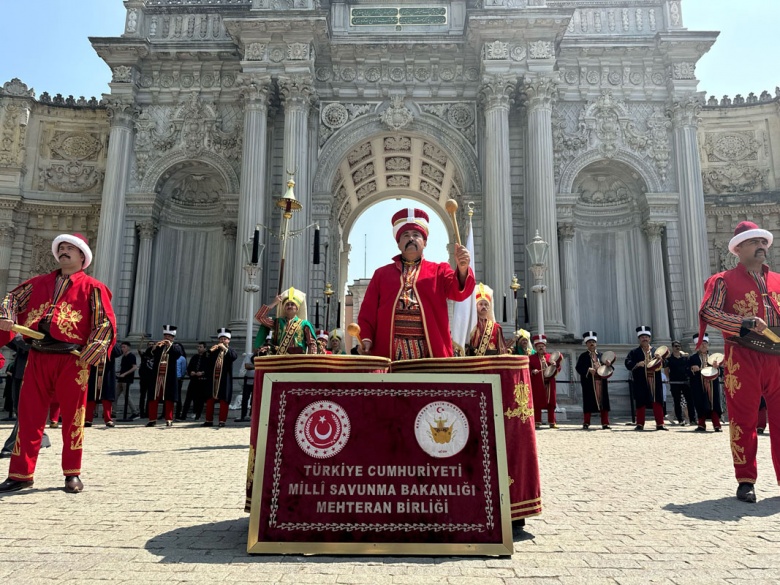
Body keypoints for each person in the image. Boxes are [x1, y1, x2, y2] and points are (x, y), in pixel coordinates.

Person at [0, 233, 116, 493]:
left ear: (82, 256)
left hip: (72, 360)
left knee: (73, 419)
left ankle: (71, 473)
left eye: (70, 248)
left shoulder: (93, 287)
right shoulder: (39, 282)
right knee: (29, 417)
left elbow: (104, 322)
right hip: (38, 356)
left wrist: (92, 351)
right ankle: (21, 474)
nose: (64, 252)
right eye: (61, 248)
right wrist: (6, 316)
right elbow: (11, 299)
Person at [698, 220, 780, 503]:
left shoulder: (778, 281)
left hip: (777, 357)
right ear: (739, 248)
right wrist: (743, 323)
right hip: (742, 356)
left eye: (763, 242)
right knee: (743, 420)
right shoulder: (723, 280)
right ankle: (746, 480)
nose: (761, 246)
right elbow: (709, 312)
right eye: (754, 242)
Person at [357, 207, 474, 360]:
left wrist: (463, 269)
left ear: (424, 242)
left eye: (416, 235)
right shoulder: (381, 274)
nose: (411, 238)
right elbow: (368, 311)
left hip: (429, 354)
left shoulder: (439, 271)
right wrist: (366, 338)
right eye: (405, 235)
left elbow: (459, 293)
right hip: (390, 353)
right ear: (398, 243)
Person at [624, 326, 668, 431]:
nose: (645, 339)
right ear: (639, 339)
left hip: (655, 380)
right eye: (642, 337)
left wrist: (661, 359)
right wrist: (636, 364)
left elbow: (666, 363)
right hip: (640, 380)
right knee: (640, 401)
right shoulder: (634, 352)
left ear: (650, 338)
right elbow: (627, 362)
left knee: (657, 401)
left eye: (646, 337)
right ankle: (640, 424)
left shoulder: (656, 351)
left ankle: (660, 424)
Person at [254, 288, 317, 355]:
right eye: (287, 304)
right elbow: (259, 317)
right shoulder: (277, 322)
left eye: (292, 304)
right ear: (284, 308)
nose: (289, 306)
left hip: (299, 360)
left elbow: (312, 344)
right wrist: (274, 303)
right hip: (280, 359)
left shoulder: (304, 324)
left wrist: (311, 360)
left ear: (297, 308)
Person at [574, 331, 611, 430]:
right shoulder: (583, 356)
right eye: (589, 342)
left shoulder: (602, 355)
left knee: (603, 402)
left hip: (601, 382)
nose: (592, 344)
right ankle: (586, 422)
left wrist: (608, 364)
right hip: (589, 383)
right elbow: (578, 368)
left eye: (593, 342)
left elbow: (610, 368)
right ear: (586, 344)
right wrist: (588, 370)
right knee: (588, 402)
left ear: (596, 343)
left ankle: (605, 423)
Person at [146, 325, 182, 427]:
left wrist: (170, 345)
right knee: (154, 397)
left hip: (169, 377)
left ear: (173, 338)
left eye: (169, 336)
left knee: (169, 398)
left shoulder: (176, 346)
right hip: (157, 376)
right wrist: (153, 347)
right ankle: (152, 419)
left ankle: (169, 419)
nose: (167, 338)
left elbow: (178, 354)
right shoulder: (159, 346)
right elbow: (148, 355)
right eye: (165, 336)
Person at [688, 333, 723, 433]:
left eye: (705, 343)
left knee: (714, 404)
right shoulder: (692, 358)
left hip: (712, 385)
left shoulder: (714, 357)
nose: (703, 345)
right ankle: (701, 424)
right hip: (698, 385)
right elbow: (686, 371)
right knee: (700, 403)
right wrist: (692, 369)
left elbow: (721, 372)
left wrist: (717, 368)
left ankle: (717, 425)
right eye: (701, 344)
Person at [203, 328, 238, 427]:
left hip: (224, 380)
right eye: (221, 339)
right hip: (213, 379)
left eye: (225, 339)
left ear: (228, 340)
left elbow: (233, 357)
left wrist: (225, 349)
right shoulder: (214, 350)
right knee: (210, 399)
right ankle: (208, 420)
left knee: (224, 400)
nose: (222, 340)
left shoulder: (230, 350)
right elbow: (208, 362)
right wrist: (209, 352)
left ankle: (222, 421)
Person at [85, 342, 122, 428]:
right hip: (94, 373)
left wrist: (112, 343)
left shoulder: (111, 343)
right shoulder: (92, 341)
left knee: (107, 397)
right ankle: (88, 419)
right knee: (91, 397)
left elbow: (118, 353)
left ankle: (108, 419)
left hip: (107, 373)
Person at [528, 334, 560, 429]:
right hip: (538, 383)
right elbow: (527, 370)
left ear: (545, 347)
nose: (541, 348)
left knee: (551, 402)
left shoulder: (551, 357)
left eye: (542, 346)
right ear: (535, 347)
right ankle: (537, 421)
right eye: (539, 347)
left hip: (550, 383)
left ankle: (552, 421)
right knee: (537, 402)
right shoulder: (531, 358)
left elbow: (558, 368)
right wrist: (532, 371)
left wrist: (555, 365)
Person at [465, 284, 506, 356]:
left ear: (489, 307)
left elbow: (501, 350)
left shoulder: (496, 328)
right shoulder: (469, 325)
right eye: (481, 304)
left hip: (491, 364)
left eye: (486, 304)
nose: (484, 306)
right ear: (476, 306)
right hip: (473, 363)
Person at [664, 340, 695, 426]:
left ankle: (692, 419)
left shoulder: (685, 358)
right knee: (676, 401)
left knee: (690, 400)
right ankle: (680, 419)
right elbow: (666, 370)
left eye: (679, 346)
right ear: (672, 347)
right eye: (675, 346)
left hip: (685, 381)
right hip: (675, 382)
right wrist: (668, 379)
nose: (677, 347)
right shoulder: (669, 359)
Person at [181, 341, 208, 421]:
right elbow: (189, 368)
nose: (199, 348)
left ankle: (198, 415)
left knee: (200, 399)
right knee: (188, 398)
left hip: (202, 381)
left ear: (204, 348)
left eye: (200, 347)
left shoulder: (207, 357)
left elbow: (209, 369)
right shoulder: (194, 357)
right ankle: (183, 415)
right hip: (193, 380)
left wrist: (202, 373)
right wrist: (191, 372)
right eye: (198, 347)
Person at [236, 346, 261, 423]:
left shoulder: (263, 356)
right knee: (245, 398)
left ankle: (252, 415)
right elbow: (247, 366)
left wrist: (253, 366)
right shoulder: (249, 356)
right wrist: (258, 366)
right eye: (257, 348)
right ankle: (243, 415)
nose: (258, 350)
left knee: (254, 399)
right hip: (248, 380)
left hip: (257, 380)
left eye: (260, 348)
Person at [115, 341, 139, 419]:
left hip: (127, 379)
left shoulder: (131, 356)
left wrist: (125, 374)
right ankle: (113, 412)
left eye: (124, 347)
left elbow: (134, 367)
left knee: (127, 396)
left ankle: (135, 412)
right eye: (121, 347)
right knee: (115, 395)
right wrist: (118, 373)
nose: (122, 349)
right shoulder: (123, 356)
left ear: (128, 347)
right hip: (121, 379)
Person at [137, 340, 155, 418]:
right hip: (143, 378)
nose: (150, 346)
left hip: (151, 379)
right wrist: (142, 340)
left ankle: (148, 412)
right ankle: (141, 412)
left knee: (150, 396)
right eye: (149, 344)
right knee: (142, 396)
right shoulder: (144, 355)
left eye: (152, 344)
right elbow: (139, 350)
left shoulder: (155, 355)